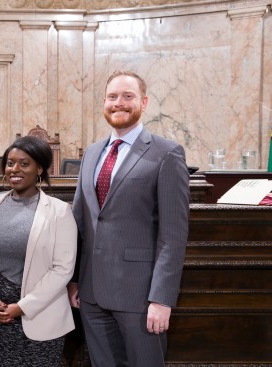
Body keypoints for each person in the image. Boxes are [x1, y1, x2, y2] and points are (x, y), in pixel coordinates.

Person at [68, 70, 190, 366]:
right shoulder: (93, 152)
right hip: (91, 294)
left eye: (127, 96)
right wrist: (73, 281)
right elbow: (79, 222)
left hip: (140, 295)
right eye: (112, 97)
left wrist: (161, 299)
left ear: (143, 102)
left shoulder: (166, 153)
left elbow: (173, 235)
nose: (118, 103)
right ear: (104, 102)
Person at [0, 136, 77, 367]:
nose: (14, 169)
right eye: (10, 163)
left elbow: (63, 269)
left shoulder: (59, 211)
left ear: (40, 168)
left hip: (38, 315)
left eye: (24, 163)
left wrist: (21, 307)